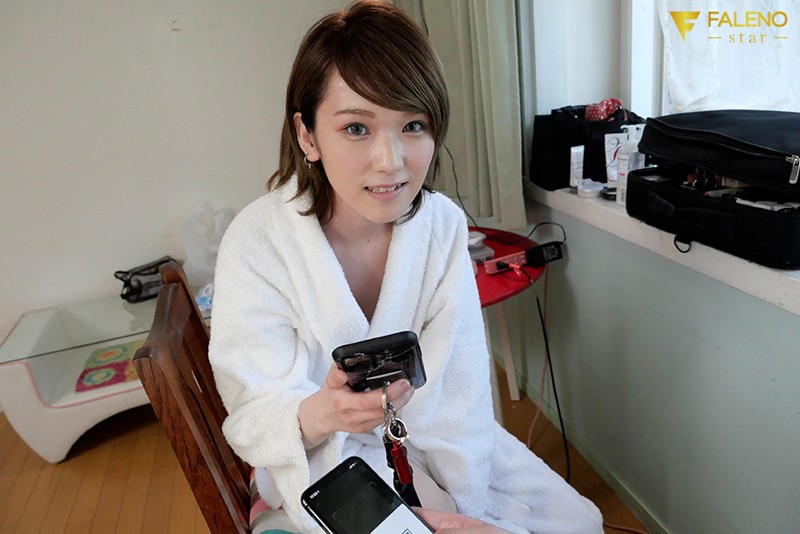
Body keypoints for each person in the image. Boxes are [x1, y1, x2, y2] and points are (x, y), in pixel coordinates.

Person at [209, 1, 603, 532]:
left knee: (580, 522)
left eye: (413, 125)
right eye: (356, 128)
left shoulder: (442, 226)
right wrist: (325, 411)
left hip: (434, 437)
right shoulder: (259, 242)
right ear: (307, 136)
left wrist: (467, 501)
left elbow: (460, 392)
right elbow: (254, 414)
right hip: (323, 455)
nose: (391, 161)